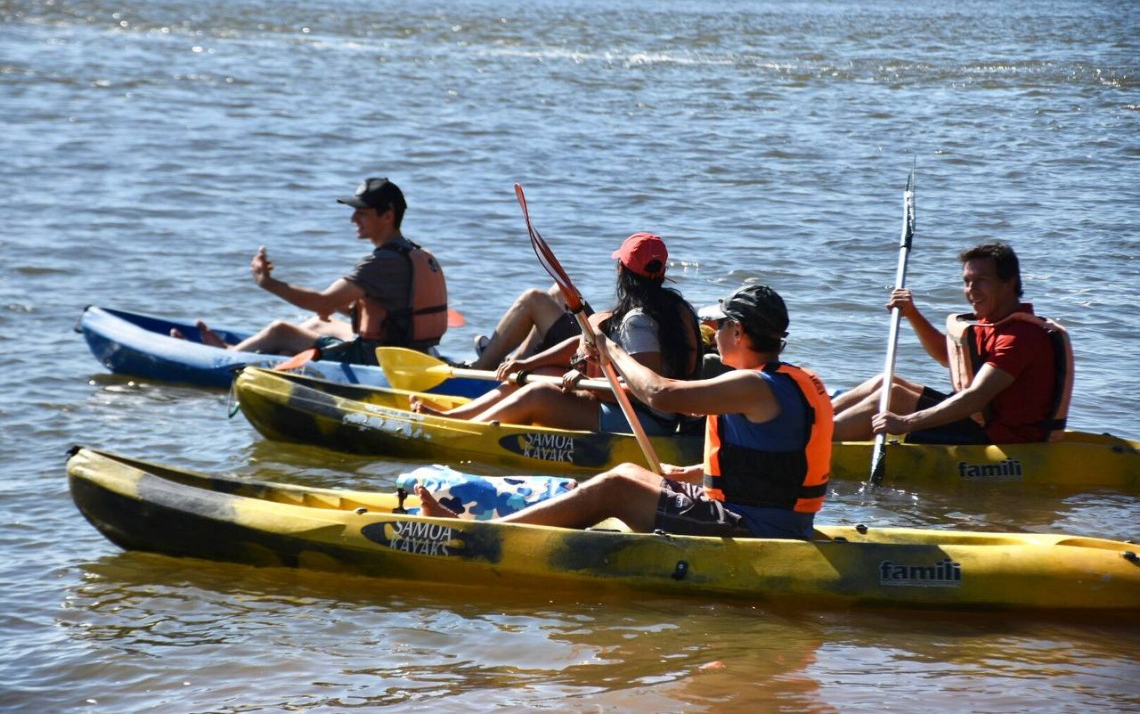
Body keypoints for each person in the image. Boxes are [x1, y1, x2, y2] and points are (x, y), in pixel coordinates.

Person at [415, 283, 834, 540]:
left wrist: (610, 349)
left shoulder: (752, 386)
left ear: (738, 331)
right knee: (632, 473)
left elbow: (659, 393)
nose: (714, 332)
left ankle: (479, 536)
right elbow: (769, 463)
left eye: (720, 326)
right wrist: (688, 474)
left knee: (616, 487)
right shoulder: (792, 379)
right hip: (769, 516)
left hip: (754, 527)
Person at [413, 232, 702, 436]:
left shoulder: (638, 321)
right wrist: (526, 363)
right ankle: (454, 417)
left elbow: (646, 391)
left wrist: (590, 386)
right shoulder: (675, 306)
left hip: (647, 422)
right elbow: (580, 343)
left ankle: (459, 433)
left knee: (538, 393)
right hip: (643, 412)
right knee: (540, 374)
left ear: (622, 271)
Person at [185, 177, 449, 366]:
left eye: (362, 213)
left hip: (378, 360)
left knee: (280, 330)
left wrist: (267, 282)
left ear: (387, 216)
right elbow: (394, 313)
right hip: (414, 353)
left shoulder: (382, 263)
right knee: (318, 323)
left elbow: (323, 302)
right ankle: (240, 349)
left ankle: (224, 361)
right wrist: (333, 307)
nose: (353, 219)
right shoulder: (416, 254)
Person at [832, 241, 1072, 444]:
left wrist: (906, 422)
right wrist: (912, 314)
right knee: (886, 381)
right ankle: (817, 420)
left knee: (895, 397)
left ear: (1009, 282)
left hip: (1003, 438)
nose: (971, 290)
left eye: (981, 280)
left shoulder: (1020, 337)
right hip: (979, 419)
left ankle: (818, 443)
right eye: (967, 281)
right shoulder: (993, 321)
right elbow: (950, 358)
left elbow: (975, 398)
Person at [464, 283, 589, 371]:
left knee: (534, 299)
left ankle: (479, 370)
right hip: (593, 336)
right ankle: (514, 361)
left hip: (588, 357)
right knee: (562, 290)